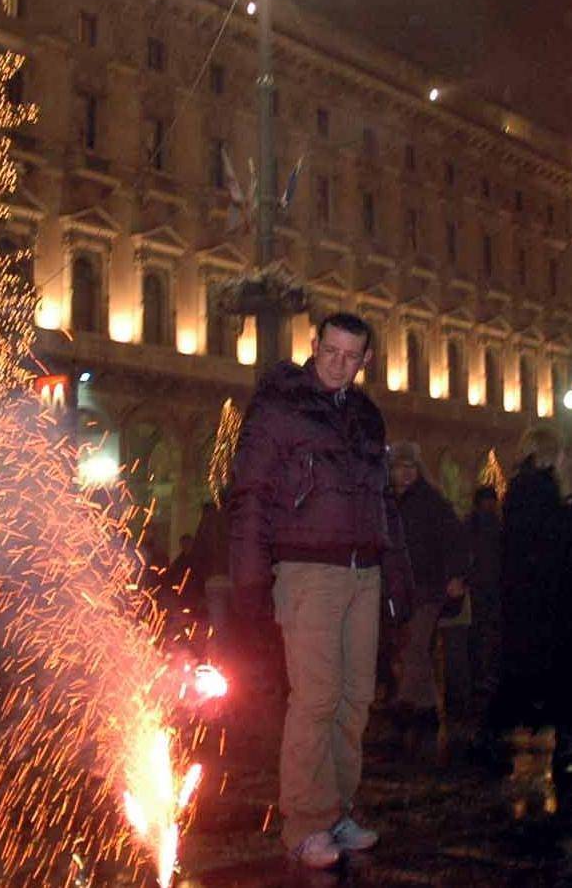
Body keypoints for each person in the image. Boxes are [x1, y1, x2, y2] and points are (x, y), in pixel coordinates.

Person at [227, 312, 413, 869]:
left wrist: (396, 571)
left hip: (363, 572)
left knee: (356, 698)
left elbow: (383, 500)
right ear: (314, 346)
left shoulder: (366, 416)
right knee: (316, 698)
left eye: (349, 356)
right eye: (329, 351)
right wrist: (250, 578)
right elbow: (250, 492)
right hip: (307, 570)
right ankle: (305, 824)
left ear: (366, 362)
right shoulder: (281, 408)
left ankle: (337, 809)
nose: (337, 364)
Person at [489, 427, 572, 793]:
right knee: (548, 674)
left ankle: (505, 736)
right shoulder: (544, 494)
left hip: (522, 601)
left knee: (523, 673)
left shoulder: (518, 492)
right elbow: (555, 548)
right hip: (545, 602)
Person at [388, 442, 468, 732]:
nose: (406, 473)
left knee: (416, 646)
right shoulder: (387, 503)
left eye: (411, 467)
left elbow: (455, 539)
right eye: (400, 467)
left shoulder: (431, 501)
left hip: (429, 587)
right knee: (411, 649)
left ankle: (405, 704)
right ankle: (428, 708)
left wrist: (456, 576)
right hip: (400, 589)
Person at [466, 485, 502, 721]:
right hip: (484, 585)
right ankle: (483, 673)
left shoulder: (477, 524)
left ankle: (482, 674)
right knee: (484, 630)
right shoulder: (493, 525)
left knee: (482, 630)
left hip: (484, 585)